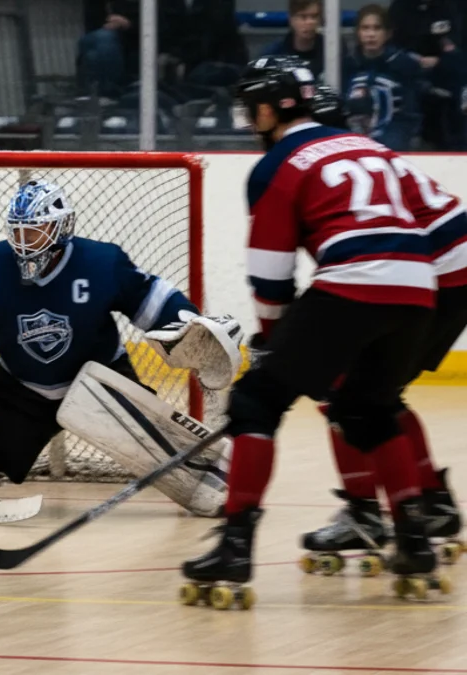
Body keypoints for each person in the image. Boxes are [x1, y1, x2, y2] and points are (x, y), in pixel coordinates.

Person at [180, 56, 442, 609]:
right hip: (420, 290)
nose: (250, 119)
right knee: (371, 409)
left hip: (353, 282)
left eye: (254, 107)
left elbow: (271, 273)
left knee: (255, 403)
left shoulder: (280, 162)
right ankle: (415, 540)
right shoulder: (369, 146)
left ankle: (233, 547)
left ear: (275, 107)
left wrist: (272, 339)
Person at [0, 179, 242, 517]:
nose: (25, 242)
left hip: (99, 377)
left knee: (151, 440)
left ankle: (217, 478)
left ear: (61, 228)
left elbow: (154, 303)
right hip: (21, 389)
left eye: (36, 231)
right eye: (19, 232)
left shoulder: (101, 262)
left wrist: (191, 326)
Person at [301, 87, 464, 571]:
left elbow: (347, 269)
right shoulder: (365, 153)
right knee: (378, 395)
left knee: (342, 391)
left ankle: (365, 513)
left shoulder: (309, 167)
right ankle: (430, 503)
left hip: (434, 272)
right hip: (452, 268)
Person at [389, 0, 467, 150]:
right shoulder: (401, 6)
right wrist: (412, 59)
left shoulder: (458, 6)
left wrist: (442, 61)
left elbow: (461, 49)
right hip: (411, 75)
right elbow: (393, 49)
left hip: (450, 75)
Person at [343, 5, 423, 151]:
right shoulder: (348, 65)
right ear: (358, 33)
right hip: (355, 138)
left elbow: (410, 113)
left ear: (388, 33)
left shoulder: (404, 65)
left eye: (377, 28)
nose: (371, 34)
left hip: (394, 140)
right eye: (365, 28)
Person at [258, 0, 352, 83]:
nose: (309, 22)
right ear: (291, 19)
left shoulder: (334, 48)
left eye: (314, 16)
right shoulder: (274, 54)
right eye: (303, 17)